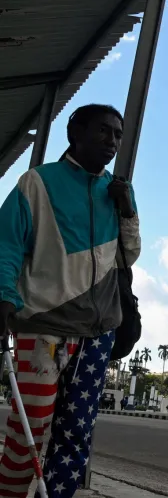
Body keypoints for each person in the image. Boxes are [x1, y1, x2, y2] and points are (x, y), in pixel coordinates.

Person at [0, 104, 140, 497]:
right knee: (29, 431)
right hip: (43, 325)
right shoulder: (37, 183)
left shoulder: (117, 191)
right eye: (103, 132)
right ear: (74, 133)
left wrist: (127, 211)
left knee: (77, 434)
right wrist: (4, 295)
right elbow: (7, 244)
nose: (112, 142)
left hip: (98, 333)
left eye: (117, 134)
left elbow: (129, 256)